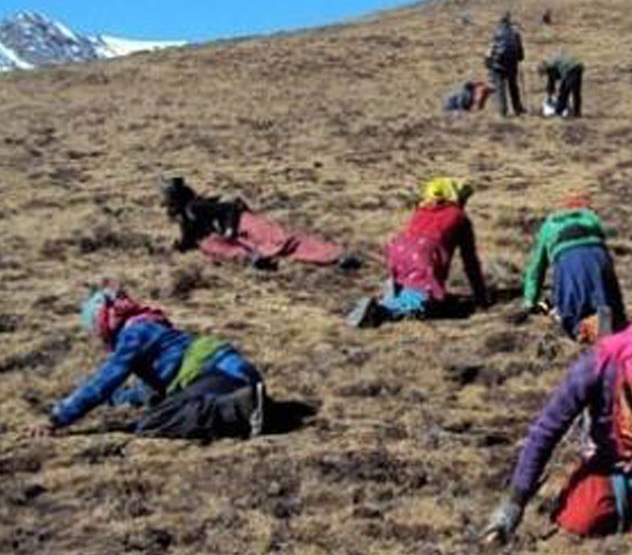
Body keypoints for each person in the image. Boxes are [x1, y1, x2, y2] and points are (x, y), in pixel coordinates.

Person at [480, 321, 632, 554]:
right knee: (580, 518)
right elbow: (546, 431)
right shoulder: (592, 370)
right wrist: (514, 503)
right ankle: (623, 498)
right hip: (607, 460)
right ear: (631, 376)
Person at [30, 283, 266, 440]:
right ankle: (252, 406)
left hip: (216, 374)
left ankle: (238, 407)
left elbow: (106, 379)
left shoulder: (135, 333)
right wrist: (116, 399)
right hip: (232, 373)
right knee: (166, 407)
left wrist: (58, 418)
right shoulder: (151, 326)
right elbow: (148, 392)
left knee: (153, 422)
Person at [348, 177, 488, 327]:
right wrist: (481, 296)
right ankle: (381, 311)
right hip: (424, 253)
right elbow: (470, 260)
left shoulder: (423, 210)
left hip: (400, 249)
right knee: (422, 302)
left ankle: (392, 294)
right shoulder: (459, 217)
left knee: (410, 283)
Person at [161, 177, 357, 270]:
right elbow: (190, 238)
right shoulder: (186, 216)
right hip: (236, 237)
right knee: (211, 245)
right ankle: (254, 259)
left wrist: (229, 228)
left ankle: (335, 256)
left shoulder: (196, 206)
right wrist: (180, 246)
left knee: (284, 240)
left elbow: (228, 208)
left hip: (241, 222)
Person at [522, 193, 628, 342]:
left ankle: (583, 333)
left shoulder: (550, 224)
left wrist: (529, 301)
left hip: (568, 261)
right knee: (607, 301)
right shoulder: (591, 218)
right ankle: (608, 325)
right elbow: (603, 249)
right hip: (598, 257)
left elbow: (536, 269)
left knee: (570, 316)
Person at [486, 12, 526, 117]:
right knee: (513, 86)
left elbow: (490, 50)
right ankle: (518, 108)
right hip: (512, 64)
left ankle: (502, 111)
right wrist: (520, 58)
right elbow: (520, 52)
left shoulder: (496, 33)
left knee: (500, 87)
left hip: (498, 64)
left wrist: (488, 63)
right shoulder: (515, 33)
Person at [542, 53, 585, 118]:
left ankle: (559, 112)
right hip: (578, 67)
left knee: (564, 91)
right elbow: (555, 79)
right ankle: (577, 112)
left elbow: (552, 82)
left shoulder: (551, 67)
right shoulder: (553, 62)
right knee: (576, 92)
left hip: (571, 69)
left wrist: (549, 94)